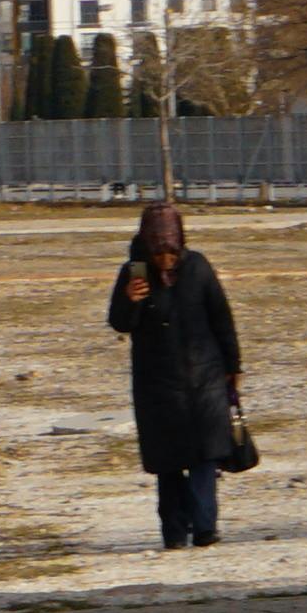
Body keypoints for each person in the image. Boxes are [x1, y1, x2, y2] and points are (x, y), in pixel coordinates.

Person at [104, 198, 244, 551]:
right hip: (157, 384)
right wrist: (129, 300)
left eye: (171, 253)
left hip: (205, 379)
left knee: (204, 456)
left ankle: (206, 528)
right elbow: (120, 324)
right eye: (159, 254)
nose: (166, 261)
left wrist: (233, 366)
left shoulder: (197, 267)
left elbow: (221, 318)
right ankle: (175, 532)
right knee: (168, 463)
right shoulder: (133, 273)